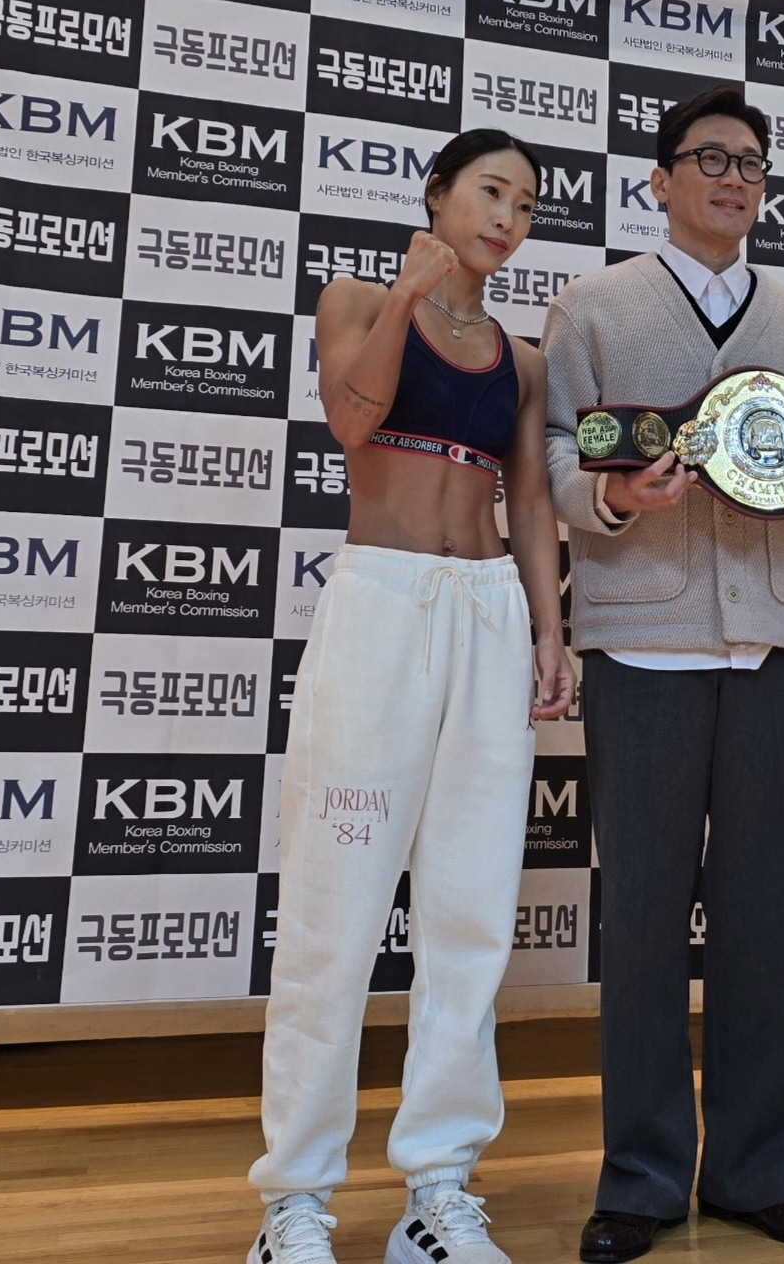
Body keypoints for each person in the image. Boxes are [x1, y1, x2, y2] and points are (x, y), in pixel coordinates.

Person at [542, 85, 784, 1263]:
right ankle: (636, 1178)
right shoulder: (594, 306)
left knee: (766, 909)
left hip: (770, 635)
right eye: (711, 158)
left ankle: (763, 1168)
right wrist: (614, 494)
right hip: (642, 637)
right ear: (660, 179)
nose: (735, 179)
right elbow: (553, 455)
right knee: (638, 912)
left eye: (752, 164)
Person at [247, 129, 575, 1264]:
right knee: (333, 914)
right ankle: (295, 1200)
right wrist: (404, 295)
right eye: (490, 192)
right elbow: (351, 419)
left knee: (470, 914)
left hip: (486, 611)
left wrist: (549, 632)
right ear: (437, 195)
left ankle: (438, 1187)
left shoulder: (522, 359)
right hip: (381, 603)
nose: (507, 218)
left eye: (525, 204)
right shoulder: (353, 298)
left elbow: (530, 502)